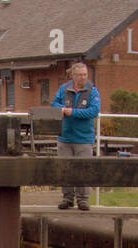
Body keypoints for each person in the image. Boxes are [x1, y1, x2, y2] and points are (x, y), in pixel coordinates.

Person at [52, 62, 100, 211]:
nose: (83, 77)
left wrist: (72, 112)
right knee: (65, 169)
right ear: (73, 75)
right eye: (80, 75)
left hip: (84, 139)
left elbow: (93, 111)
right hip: (65, 137)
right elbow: (54, 103)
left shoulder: (93, 91)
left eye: (85, 74)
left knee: (83, 170)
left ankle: (83, 200)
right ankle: (67, 198)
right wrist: (60, 109)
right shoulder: (63, 89)